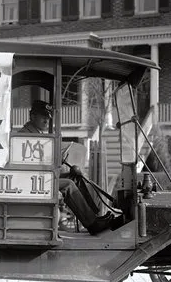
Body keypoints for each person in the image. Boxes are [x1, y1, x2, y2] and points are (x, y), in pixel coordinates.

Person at [18, 100, 118, 235]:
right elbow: (31, 164)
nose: (46, 120)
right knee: (68, 185)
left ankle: (93, 217)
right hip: (31, 181)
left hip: (41, 178)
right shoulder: (25, 135)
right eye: (43, 117)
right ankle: (93, 224)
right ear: (32, 116)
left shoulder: (38, 133)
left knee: (74, 177)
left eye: (48, 117)